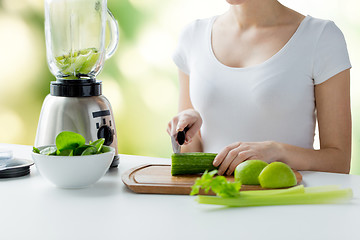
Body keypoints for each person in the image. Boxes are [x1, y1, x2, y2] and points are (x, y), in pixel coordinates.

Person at [167, 0, 352, 175]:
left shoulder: (321, 37)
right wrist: (187, 133)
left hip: (288, 202)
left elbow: (339, 162)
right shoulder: (193, 36)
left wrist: (277, 152)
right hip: (214, 201)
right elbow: (190, 155)